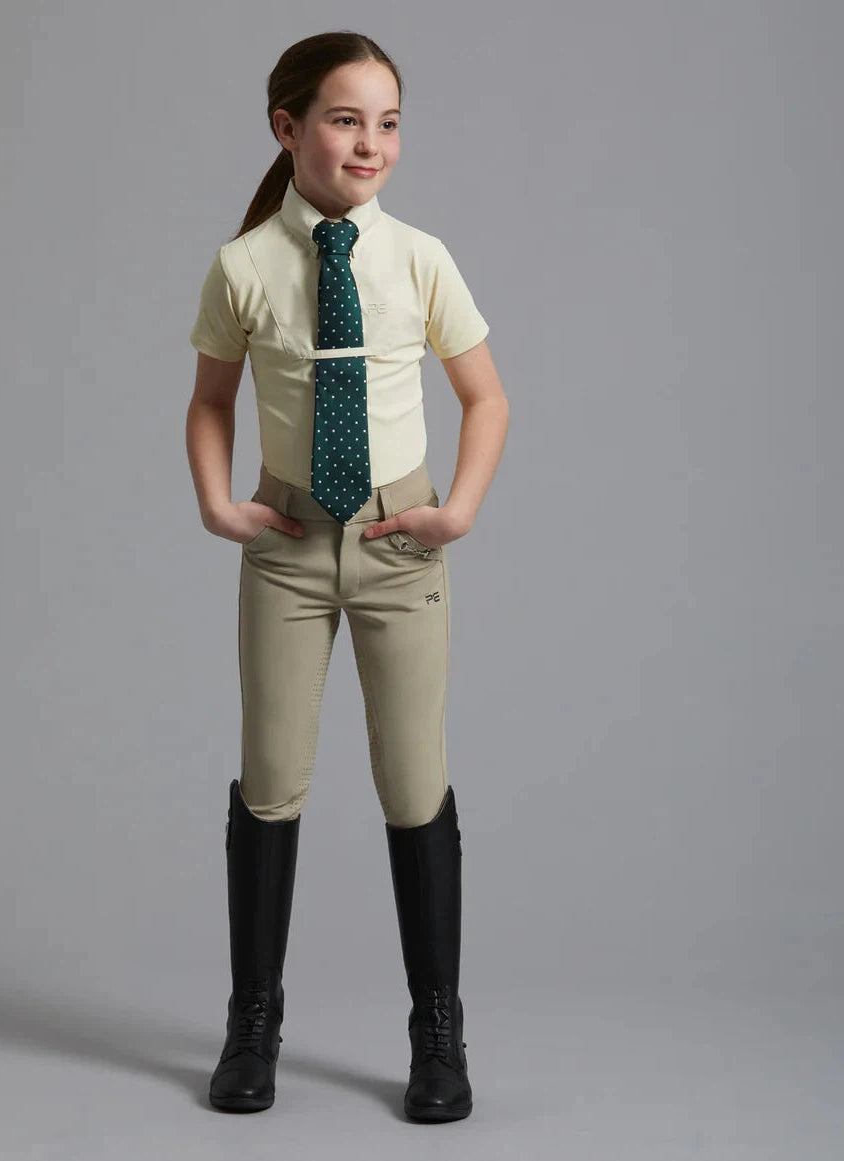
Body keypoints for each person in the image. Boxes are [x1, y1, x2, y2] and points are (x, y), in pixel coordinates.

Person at [186, 30, 509, 1122]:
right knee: (269, 778)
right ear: (287, 128)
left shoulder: (418, 257)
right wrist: (218, 502)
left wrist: (456, 510)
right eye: (344, 120)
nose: (370, 143)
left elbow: (486, 397)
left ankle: (438, 1031)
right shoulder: (244, 266)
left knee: (414, 781)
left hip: (396, 546)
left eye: (388, 123)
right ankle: (252, 1023)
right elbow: (210, 400)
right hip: (286, 548)